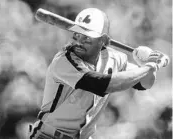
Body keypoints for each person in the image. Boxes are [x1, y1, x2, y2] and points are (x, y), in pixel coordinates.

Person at [29, 8, 167, 139]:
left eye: (87, 38)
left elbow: (144, 83)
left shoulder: (115, 59)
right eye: (77, 35)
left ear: (104, 41)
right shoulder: (64, 61)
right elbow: (103, 84)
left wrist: (150, 65)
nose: (79, 42)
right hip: (48, 136)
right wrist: (149, 67)